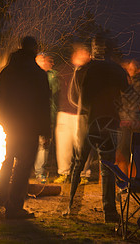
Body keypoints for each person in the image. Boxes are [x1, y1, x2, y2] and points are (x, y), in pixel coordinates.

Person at [64, 38, 129, 223]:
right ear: (109, 51)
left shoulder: (83, 70)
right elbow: (127, 93)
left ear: (93, 50)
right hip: (109, 122)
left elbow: (74, 98)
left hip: (86, 122)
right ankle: (109, 211)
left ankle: (70, 207)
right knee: (107, 165)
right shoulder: (118, 70)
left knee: (78, 163)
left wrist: (88, 107)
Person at [0, 36, 51, 219]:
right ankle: (14, 206)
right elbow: (43, 104)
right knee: (23, 167)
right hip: (30, 128)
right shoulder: (38, 74)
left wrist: (3, 121)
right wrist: (45, 131)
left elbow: (0, 100)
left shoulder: (7, 72)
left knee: (8, 161)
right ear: (34, 50)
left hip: (12, 126)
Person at [53, 44, 92, 184]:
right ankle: (64, 173)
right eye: (83, 52)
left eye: (87, 53)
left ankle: (83, 173)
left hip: (82, 114)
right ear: (75, 54)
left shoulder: (90, 71)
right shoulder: (64, 69)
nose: (86, 55)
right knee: (63, 145)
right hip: (64, 113)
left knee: (82, 145)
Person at [34, 52, 59, 183]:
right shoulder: (30, 75)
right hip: (32, 115)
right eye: (49, 61)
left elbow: (54, 92)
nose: (51, 63)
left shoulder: (52, 75)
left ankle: (39, 173)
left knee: (44, 144)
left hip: (48, 114)